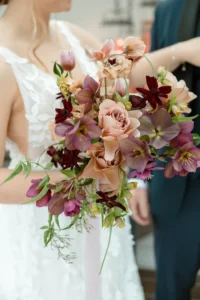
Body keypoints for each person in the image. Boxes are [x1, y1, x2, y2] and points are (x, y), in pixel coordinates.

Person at [0, 1, 145, 300]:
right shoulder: (3, 60)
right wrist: (79, 180)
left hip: (104, 224)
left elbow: (125, 90)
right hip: (42, 233)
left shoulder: (75, 37)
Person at [130, 0, 200, 299]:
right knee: (170, 291)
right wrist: (139, 175)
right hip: (176, 182)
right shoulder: (168, 10)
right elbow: (150, 98)